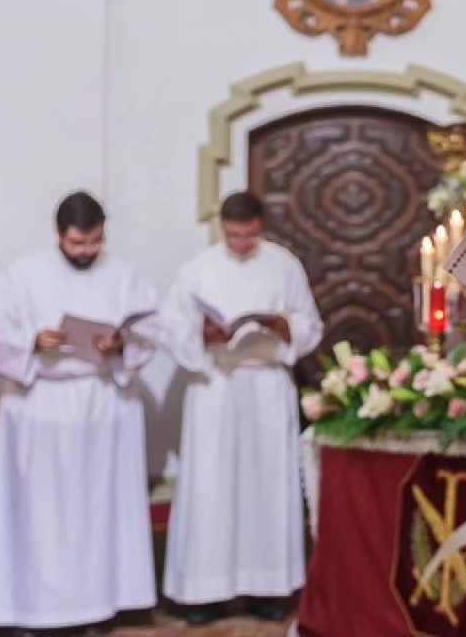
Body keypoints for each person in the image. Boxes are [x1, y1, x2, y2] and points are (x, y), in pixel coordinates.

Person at [0, 191, 160, 631]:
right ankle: (35, 607)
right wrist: (33, 341)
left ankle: (100, 603)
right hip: (41, 405)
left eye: (95, 241)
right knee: (42, 518)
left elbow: (150, 330)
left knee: (97, 515)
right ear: (58, 234)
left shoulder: (123, 275)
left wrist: (120, 345)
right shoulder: (23, 274)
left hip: (101, 404)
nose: (88, 251)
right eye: (78, 243)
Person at [160, 191, 324, 623]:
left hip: (266, 383)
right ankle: (206, 593)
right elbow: (169, 326)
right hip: (215, 383)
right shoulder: (197, 269)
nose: (241, 243)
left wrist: (285, 326)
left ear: (261, 226)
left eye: (249, 235)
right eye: (233, 235)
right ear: (222, 227)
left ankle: (265, 589)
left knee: (266, 486)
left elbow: (310, 324)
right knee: (211, 487)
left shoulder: (284, 265)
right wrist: (202, 334)